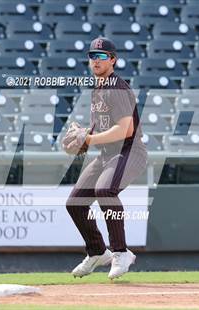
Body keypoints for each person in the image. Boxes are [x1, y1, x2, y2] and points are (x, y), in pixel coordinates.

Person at [66, 37, 148, 279]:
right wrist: (84, 133)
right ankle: (98, 252)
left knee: (105, 190)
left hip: (129, 152)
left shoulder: (117, 88)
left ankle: (121, 252)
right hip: (107, 154)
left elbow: (126, 130)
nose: (96, 60)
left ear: (113, 60)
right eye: (92, 56)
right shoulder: (98, 88)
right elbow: (103, 125)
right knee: (75, 203)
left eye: (102, 56)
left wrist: (88, 139)